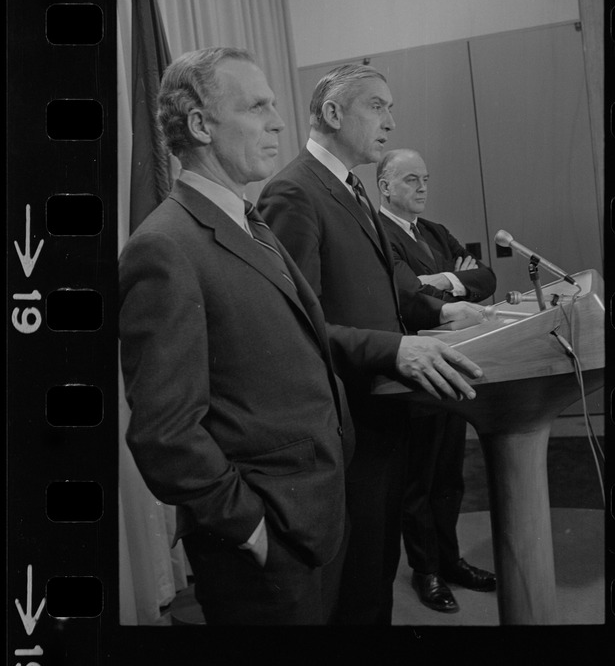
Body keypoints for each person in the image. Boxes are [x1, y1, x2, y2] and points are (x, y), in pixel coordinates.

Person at [119, 48, 483, 626]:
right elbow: (164, 432)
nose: (279, 120)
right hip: (268, 534)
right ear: (199, 125)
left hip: (317, 507)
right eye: (257, 106)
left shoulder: (251, 222)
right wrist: (251, 529)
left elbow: (302, 341)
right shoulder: (164, 246)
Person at [258, 63, 488, 625]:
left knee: (380, 570)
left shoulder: (350, 185)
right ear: (334, 114)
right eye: (377, 107)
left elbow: (380, 290)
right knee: (360, 584)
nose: (390, 120)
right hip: (347, 421)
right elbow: (294, 326)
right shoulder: (294, 191)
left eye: (391, 108)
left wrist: (441, 308)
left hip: (384, 411)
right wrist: (395, 351)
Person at [377, 148, 497, 613]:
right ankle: (426, 571)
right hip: (417, 370)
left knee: (449, 475)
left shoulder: (434, 231)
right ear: (385, 186)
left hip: (456, 362)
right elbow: (410, 298)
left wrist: (441, 279)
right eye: (411, 180)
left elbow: (484, 276)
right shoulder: (378, 233)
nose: (423, 188)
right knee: (419, 482)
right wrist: (450, 283)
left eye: (425, 178)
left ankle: (451, 560)